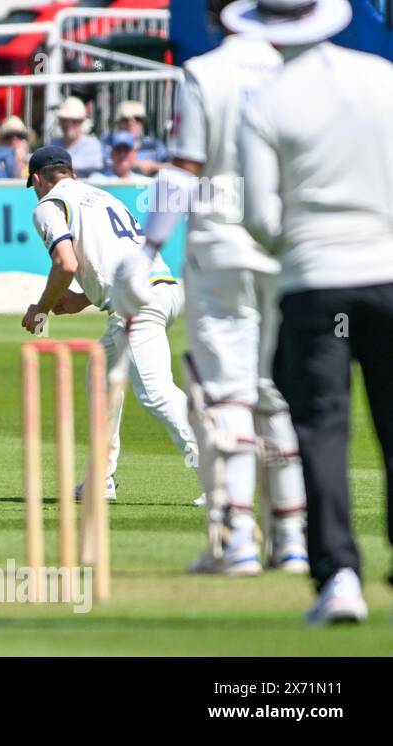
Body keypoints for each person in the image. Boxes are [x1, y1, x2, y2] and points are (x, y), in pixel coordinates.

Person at [113, 1, 304, 580]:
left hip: (222, 245)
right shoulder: (296, 69)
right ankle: (292, 539)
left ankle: (235, 539)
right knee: (274, 391)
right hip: (285, 249)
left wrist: (148, 250)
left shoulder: (206, 72)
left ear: (219, 14)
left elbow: (182, 169)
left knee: (225, 395)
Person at [235, 0, 391, 625]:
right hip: (387, 276)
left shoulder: (267, 100)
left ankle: (340, 576)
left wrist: (299, 246)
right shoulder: (381, 76)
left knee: (324, 430)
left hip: (317, 285)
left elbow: (260, 217)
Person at [22, 145, 198, 503]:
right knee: (100, 378)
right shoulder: (103, 196)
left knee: (155, 391)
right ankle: (100, 479)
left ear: (38, 179)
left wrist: (41, 309)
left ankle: (218, 474)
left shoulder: (49, 205)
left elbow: (65, 264)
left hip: (138, 302)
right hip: (159, 289)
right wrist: (81, 299)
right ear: (70, 171)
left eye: (35, 184)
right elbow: (114, 259)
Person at [104, 100, 169, 176]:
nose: (131, 123)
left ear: (143, 123)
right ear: (118, 123)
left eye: (137, 119)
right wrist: (136, 164)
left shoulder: (154, 145)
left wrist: (153, 166)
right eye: (125, 119)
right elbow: (106, 163)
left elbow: (174, 167)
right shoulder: (108, 142)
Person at [50, 96, 104, 177]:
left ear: (81, 122)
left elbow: (98, 164)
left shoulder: (92, 144)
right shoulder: (52, 145)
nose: (68, 125)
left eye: (74, 121)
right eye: (64, 120)